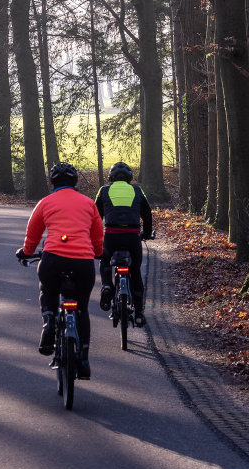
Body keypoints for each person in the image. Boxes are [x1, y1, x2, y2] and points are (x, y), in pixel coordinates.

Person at [16, 162, 103, 379]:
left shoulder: (45, 202)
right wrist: (99, 252)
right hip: (83, 262)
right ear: (75, 182)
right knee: (81, 309)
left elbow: (33, 234)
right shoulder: (88, 203)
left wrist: (26, 252)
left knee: (48, 290)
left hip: (53, 259)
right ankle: (83, 360)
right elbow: (98, 234)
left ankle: (49, 321)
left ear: (52, 182)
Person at [96, 161, 152, 325]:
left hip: (111, 236)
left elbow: (95, 215)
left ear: (111, 177)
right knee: (135, 271)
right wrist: (147, 234)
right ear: (129, 177)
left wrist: (95, 235)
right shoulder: (137, 190)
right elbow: (147, 214)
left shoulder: (104, 190)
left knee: (104, 260)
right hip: (132, 237)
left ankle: (107, 286)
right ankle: (140, 313)